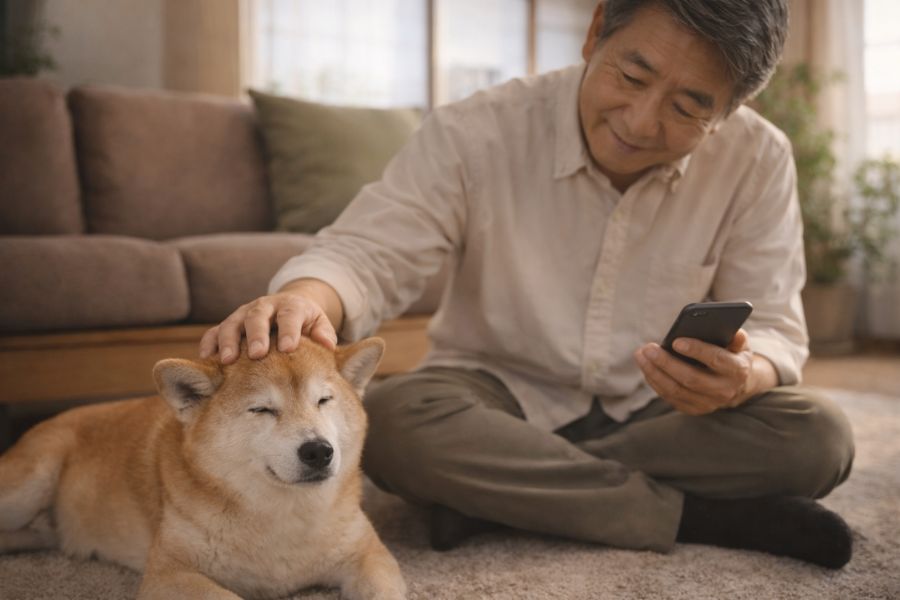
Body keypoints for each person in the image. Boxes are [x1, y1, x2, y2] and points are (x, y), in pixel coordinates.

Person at [201, 0, 855, 569]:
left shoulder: (759, 158)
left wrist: (747, 375)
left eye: (687, 108)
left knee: (819, 437)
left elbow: (773, 327)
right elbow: (370, 251)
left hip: (663, 411)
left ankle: (496, 497)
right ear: (597, 29)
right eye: (632, 76)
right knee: (397, 423)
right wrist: (304, 298)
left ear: (735, 106)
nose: (640, 121)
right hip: (496, 393)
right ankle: (700, 520)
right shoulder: (476, 128)